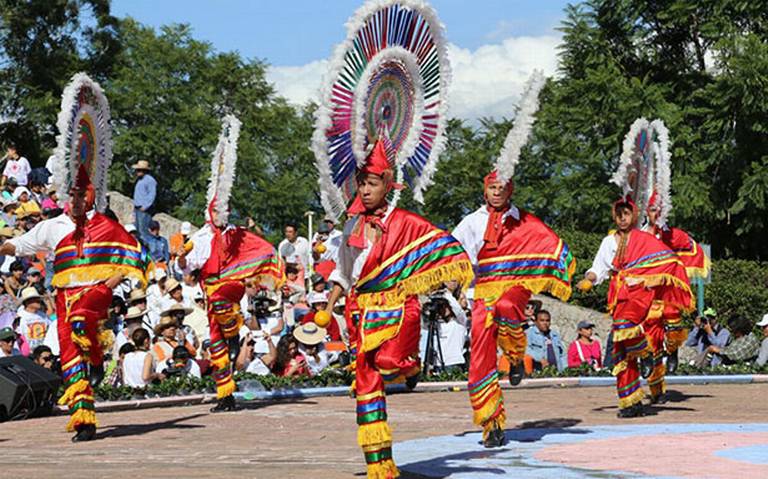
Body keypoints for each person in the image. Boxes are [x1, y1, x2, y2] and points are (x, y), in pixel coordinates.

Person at [320, 135, 472, 476]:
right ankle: (380, 466)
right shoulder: (351, 227)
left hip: (400, 306)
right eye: (361, 184)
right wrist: (328, 308)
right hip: (361, 311)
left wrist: (450, 280)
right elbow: (343, 273)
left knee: (390, 362)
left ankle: (410, 363)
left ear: (387, 184)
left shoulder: (405, 223)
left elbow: (442, 248)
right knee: (367, 386)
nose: (365, 190)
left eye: (372, 183)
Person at [452, 170, 575, 446]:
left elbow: (548, 242)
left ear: (511, 190)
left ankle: (515, 356)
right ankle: (491, 423)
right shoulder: (472, 222)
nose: (497, 192)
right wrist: (454, 281)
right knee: (480, 358)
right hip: (483, 291)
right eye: (492, 187)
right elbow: (454, 252)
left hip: (516, 286)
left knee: (508, 305)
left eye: (502, 187)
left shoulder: (523, 220)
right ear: (485, 191)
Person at [175, 114, 283, 412]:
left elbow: (259, 248)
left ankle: (231, 354)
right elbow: (186, 268)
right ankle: (225, 393)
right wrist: (183, 258)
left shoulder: (236, 233)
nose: (221, 215)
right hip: (212, 295)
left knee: (224, 328)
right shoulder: (201, 237)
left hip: (230, 293)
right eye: (217, 210)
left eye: (224, 210)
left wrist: (263, 269)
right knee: (217, 339)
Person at [577, 196, 693, 416]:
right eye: (619, 214)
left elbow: (669, 260)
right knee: (621, 350)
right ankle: (631, 402)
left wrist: (650, 279)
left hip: (640, 293)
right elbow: (598, 267)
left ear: (634, 215)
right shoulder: (608, 241)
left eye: (627, 214)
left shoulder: (644, 239)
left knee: (627, 327)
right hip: (618, 294)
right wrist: (589, 279)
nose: (622, 218)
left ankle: (650, 357)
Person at [132, 160, 157, 242]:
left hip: (144, 210)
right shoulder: (140, 180)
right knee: (137, 231)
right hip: (137, 208)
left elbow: (152, 195)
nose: (137, 172)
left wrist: (145, 206)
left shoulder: (150, 180)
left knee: (143, 232)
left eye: (139, 170)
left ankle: (149, 250)